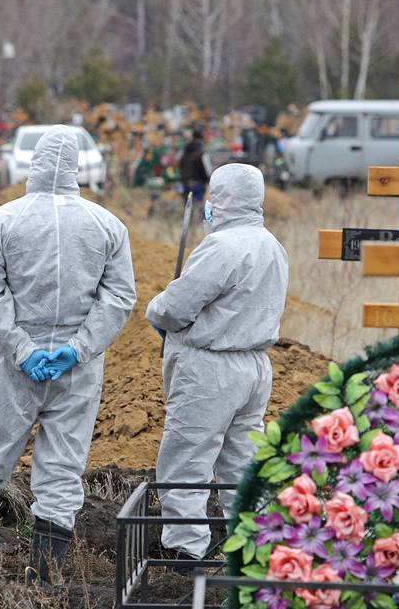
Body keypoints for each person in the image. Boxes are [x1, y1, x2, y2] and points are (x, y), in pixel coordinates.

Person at [0, 126, 137, 582]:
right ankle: (45, 574)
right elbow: (119, 298)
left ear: (35, 163)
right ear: (75, 168)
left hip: (14, 365)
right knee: (63, 468)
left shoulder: (3, 220)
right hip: (78, 369)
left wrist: (21, 349)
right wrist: (77, 349)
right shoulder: (107, 225)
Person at [146, 163, 288, 564]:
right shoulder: (271, 245)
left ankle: (184, 549)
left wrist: (156, 312)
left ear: (222, 198)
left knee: (187, 458)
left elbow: (177, 306)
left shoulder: (222, 246)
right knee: (241, 462)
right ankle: (252, 546)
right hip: (254, 367)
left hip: (211, 368)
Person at [178, 128, 209, 218]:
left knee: (188, 210)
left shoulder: (185, 152)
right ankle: (198, 229)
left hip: (185, 183)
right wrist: (208, 180)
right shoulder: (202, 153)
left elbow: (180, 165)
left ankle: (189, 229)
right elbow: (208, 170)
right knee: (199, 208)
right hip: (198, 184)